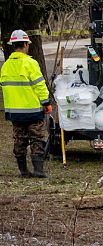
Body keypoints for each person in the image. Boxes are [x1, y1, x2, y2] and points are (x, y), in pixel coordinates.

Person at [1, 30, 51, 178]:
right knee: (36, 138)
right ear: (24, 44)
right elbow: (40, 85)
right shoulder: (30, 63)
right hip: (32, 111)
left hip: (14, 112)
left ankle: (23, 171)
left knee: (19, 140)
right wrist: (46, 102)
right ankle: (38, 171)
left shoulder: (6, 66)